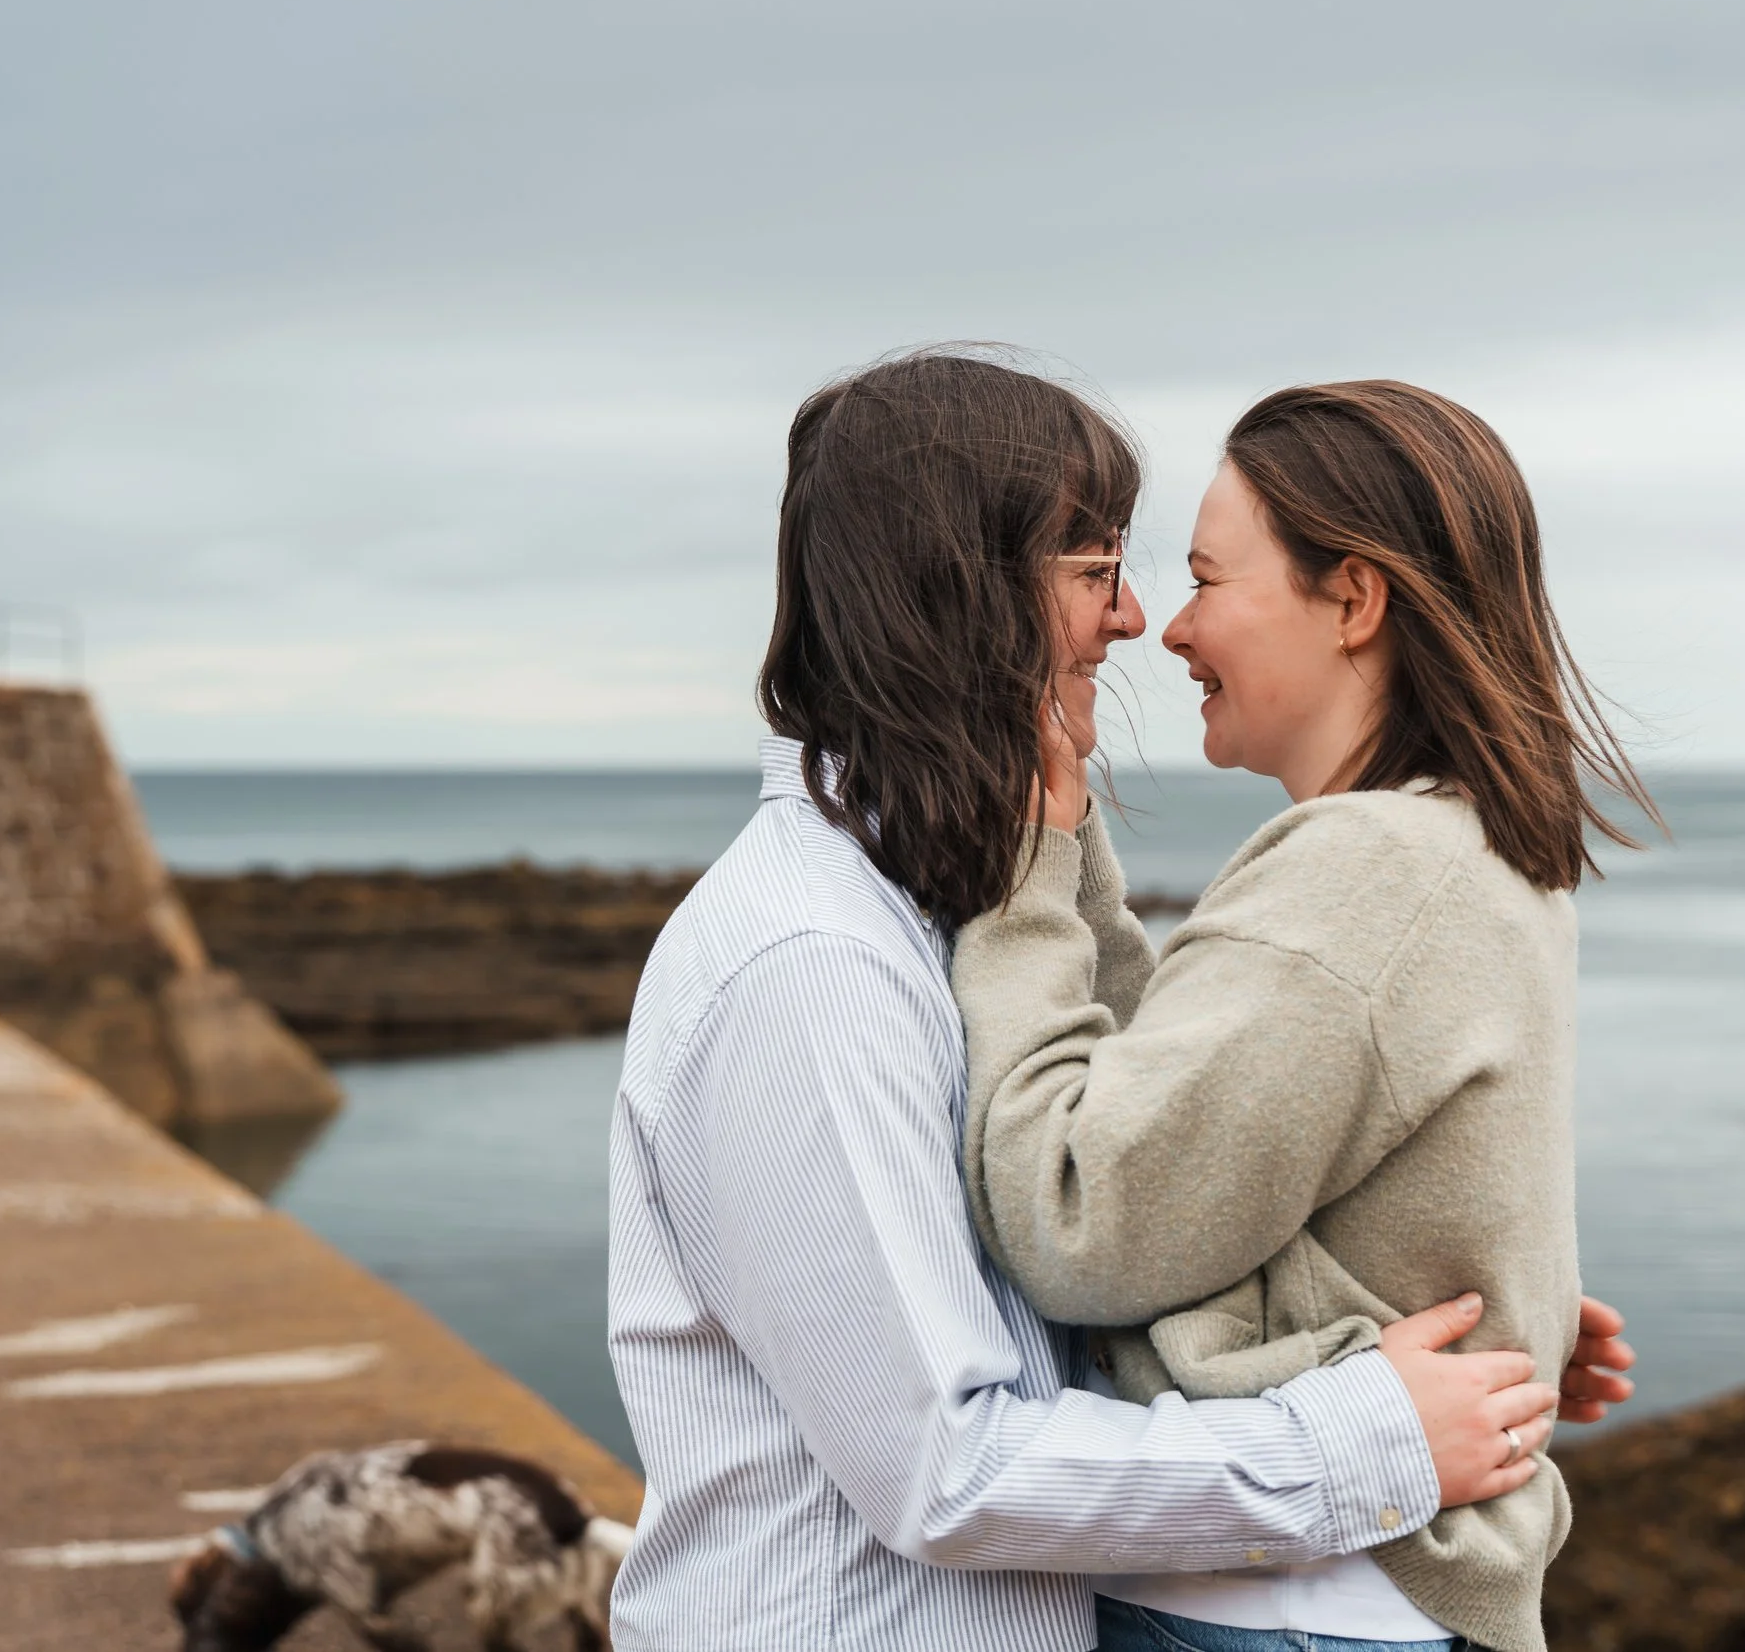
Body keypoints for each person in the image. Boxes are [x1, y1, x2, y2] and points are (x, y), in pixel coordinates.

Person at [605, 352, 1635, 1652]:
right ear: (968, 599)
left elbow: (1145, 1163)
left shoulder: (953, 913)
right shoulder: (815, 964)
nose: (1143, 619)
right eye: (1100, 571)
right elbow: (952, 1456)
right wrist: (1362, 1429)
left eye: (1187, 576)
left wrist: (1430, 1296)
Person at [951, 380, 1660, 1652]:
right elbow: (1201, 1105)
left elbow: (1079, 1217)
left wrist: (1019, 888)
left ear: (1355, 599)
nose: (1168, 627)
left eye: (1210, 579)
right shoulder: (1477, 848)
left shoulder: (1364, 870)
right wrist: (1520, 1293)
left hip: (1277, 1603)